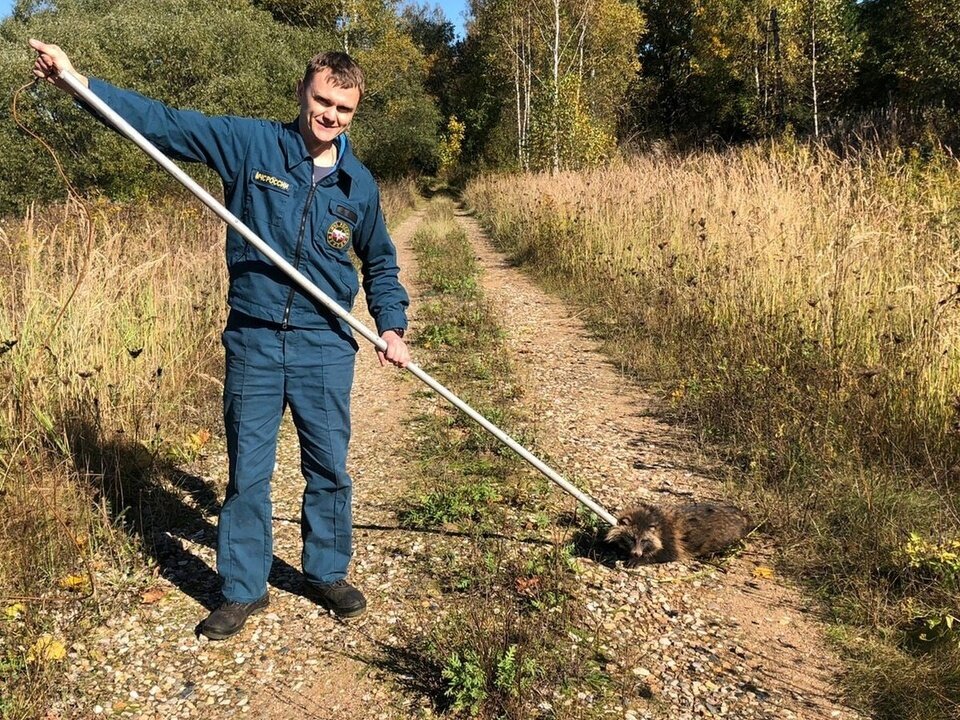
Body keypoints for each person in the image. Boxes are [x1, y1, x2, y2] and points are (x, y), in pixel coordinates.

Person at [30, 38, 412, 640]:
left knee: (329, 469)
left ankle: (325, 572)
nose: (330, 116)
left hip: (326, 342)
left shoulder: (357, 186)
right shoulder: (250, 145)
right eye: (322, 101)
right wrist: (77, 84)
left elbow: (382, 264)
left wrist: (391, 325)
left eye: (343, 108)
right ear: (302, 94)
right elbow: (163, 125)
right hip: (255, 340)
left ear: (354, 113)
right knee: (248, 473)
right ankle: (242, 589)